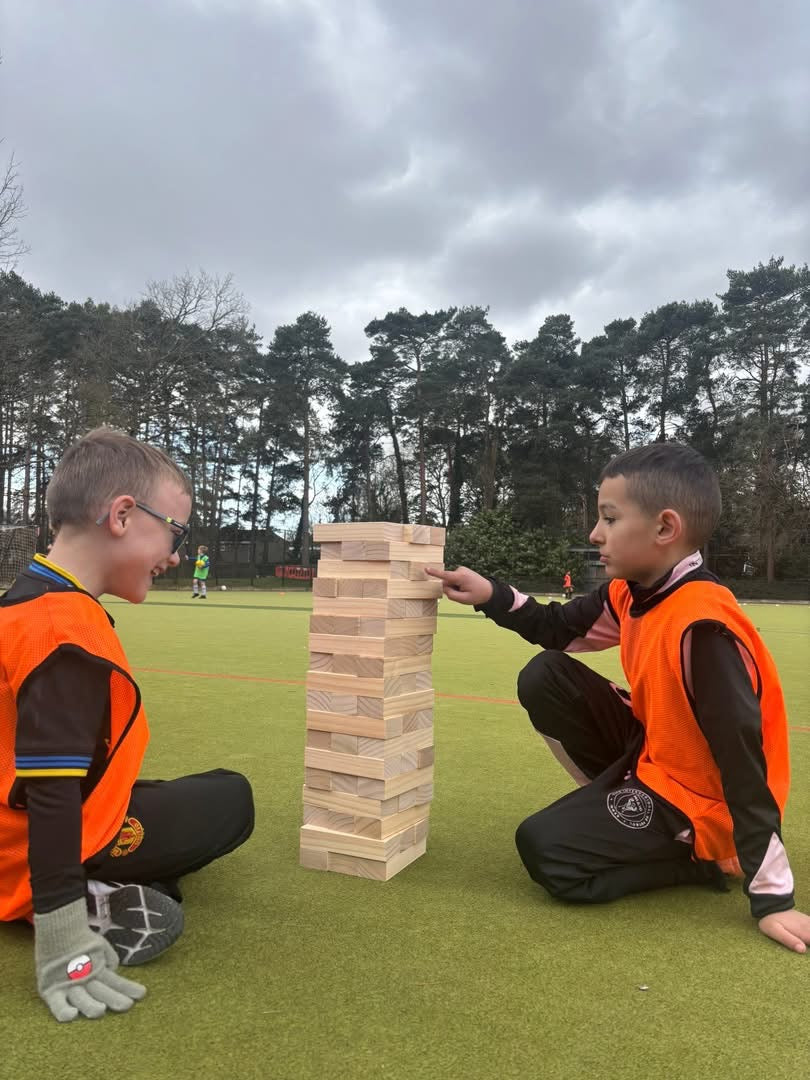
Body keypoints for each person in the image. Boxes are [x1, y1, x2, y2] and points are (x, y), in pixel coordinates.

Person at [427, 443, 810, 954]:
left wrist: (773, 898)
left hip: (703, 799)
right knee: (547, 675)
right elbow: (559, 629)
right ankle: (620, 806)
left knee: (547, 850)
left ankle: (696, 860)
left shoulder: (703, 628)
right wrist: (491, 595)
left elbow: (745, 762)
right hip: (656, 754)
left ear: (665, 528)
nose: (594, 534)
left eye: (609, 518)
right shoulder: (629, 592)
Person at [0, 428, 255, 1023]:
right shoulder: (64, 631)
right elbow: (53, 795)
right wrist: (61, 938)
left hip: (18, 821)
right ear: (121, 515)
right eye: (175, 532)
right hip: (31, 845)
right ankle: (75, 902)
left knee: (174, 794)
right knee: (231, 797)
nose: (175, 555)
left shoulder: (22, 602)